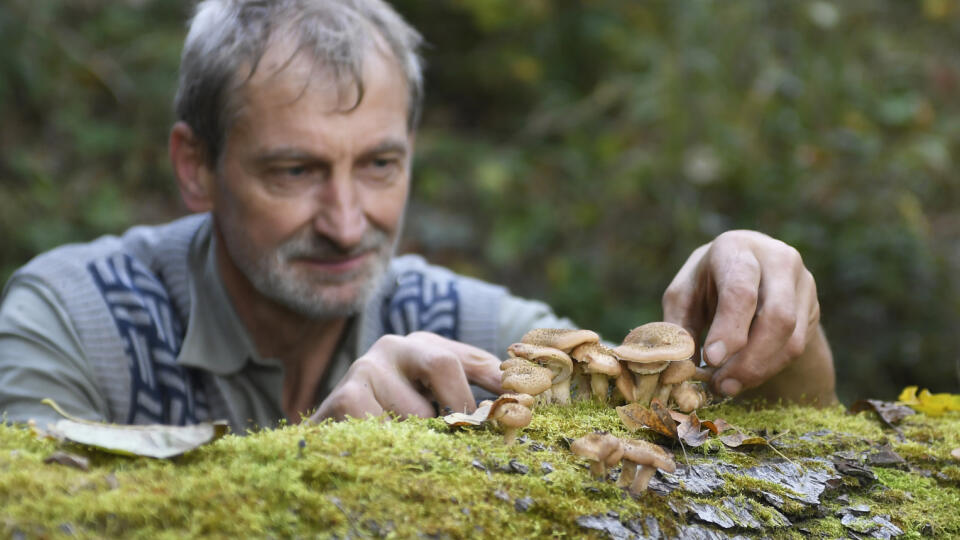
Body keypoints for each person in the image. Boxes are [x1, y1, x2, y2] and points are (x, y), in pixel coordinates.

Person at [0, 0, 836, 433]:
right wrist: (324, 469)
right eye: (294, 170)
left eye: (379, 165)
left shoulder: (467, 326)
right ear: (196, 167)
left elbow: (714, 438)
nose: (345, 220)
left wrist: (766, 312)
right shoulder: (75, 321)